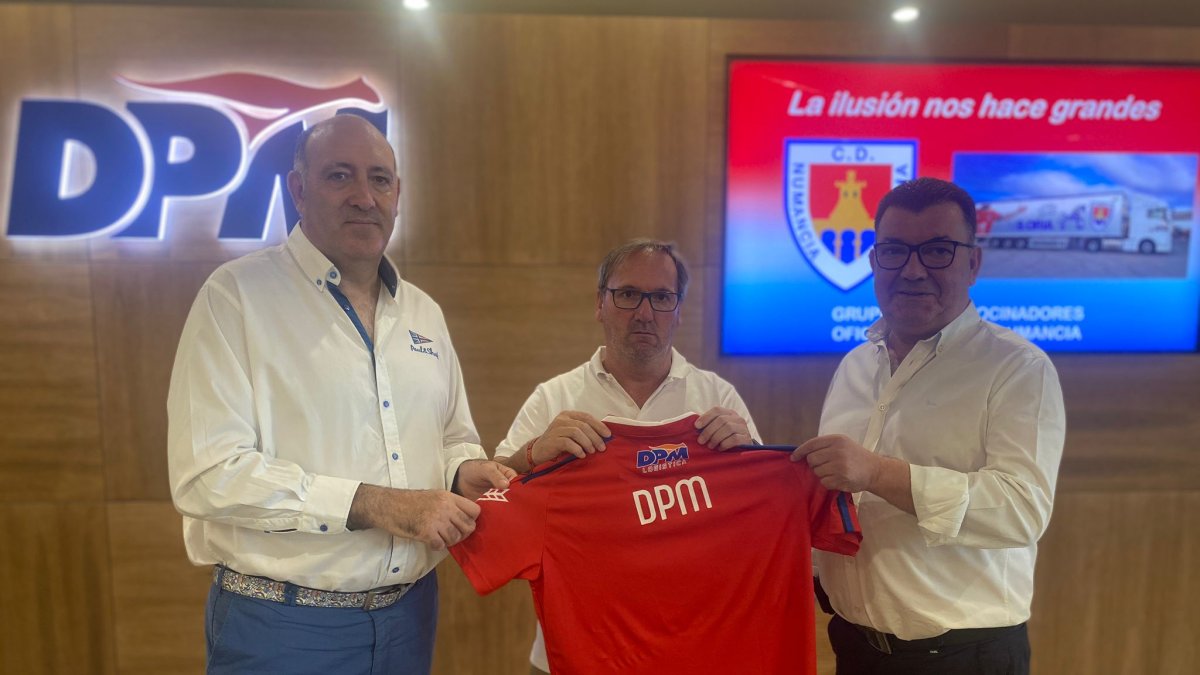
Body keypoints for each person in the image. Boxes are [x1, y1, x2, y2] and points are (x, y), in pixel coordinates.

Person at [167, 113, 514, 674]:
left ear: (398, 195)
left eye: (379, 179)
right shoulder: (235, 298)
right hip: (282, 627)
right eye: (339, 176)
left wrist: (459, 471)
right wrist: (377, 504)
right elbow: (207, 474)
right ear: (298, 190)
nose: (363, 196)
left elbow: (453, 436)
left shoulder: (424, 312)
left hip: (410, 617)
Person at [792, 177, 1066, 674]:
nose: (913, 271)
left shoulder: (1017, 368)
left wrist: (878, 473)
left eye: (938, 251)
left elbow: (1022, 511)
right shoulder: (855, 365)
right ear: (874, 261)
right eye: (895, 251)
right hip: (855, 648)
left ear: (973, 263)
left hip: (961, 657)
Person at [493, 239, 761, 674]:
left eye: (661, 297)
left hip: (691, 650)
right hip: (571, 653)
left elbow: (757, 523)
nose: (644, 311)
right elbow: (488, 498)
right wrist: (532, 454)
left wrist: (748, 458)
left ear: (679, 310)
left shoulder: (717, 398)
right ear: (600, 304)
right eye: (628, 294)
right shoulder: (553, 398)